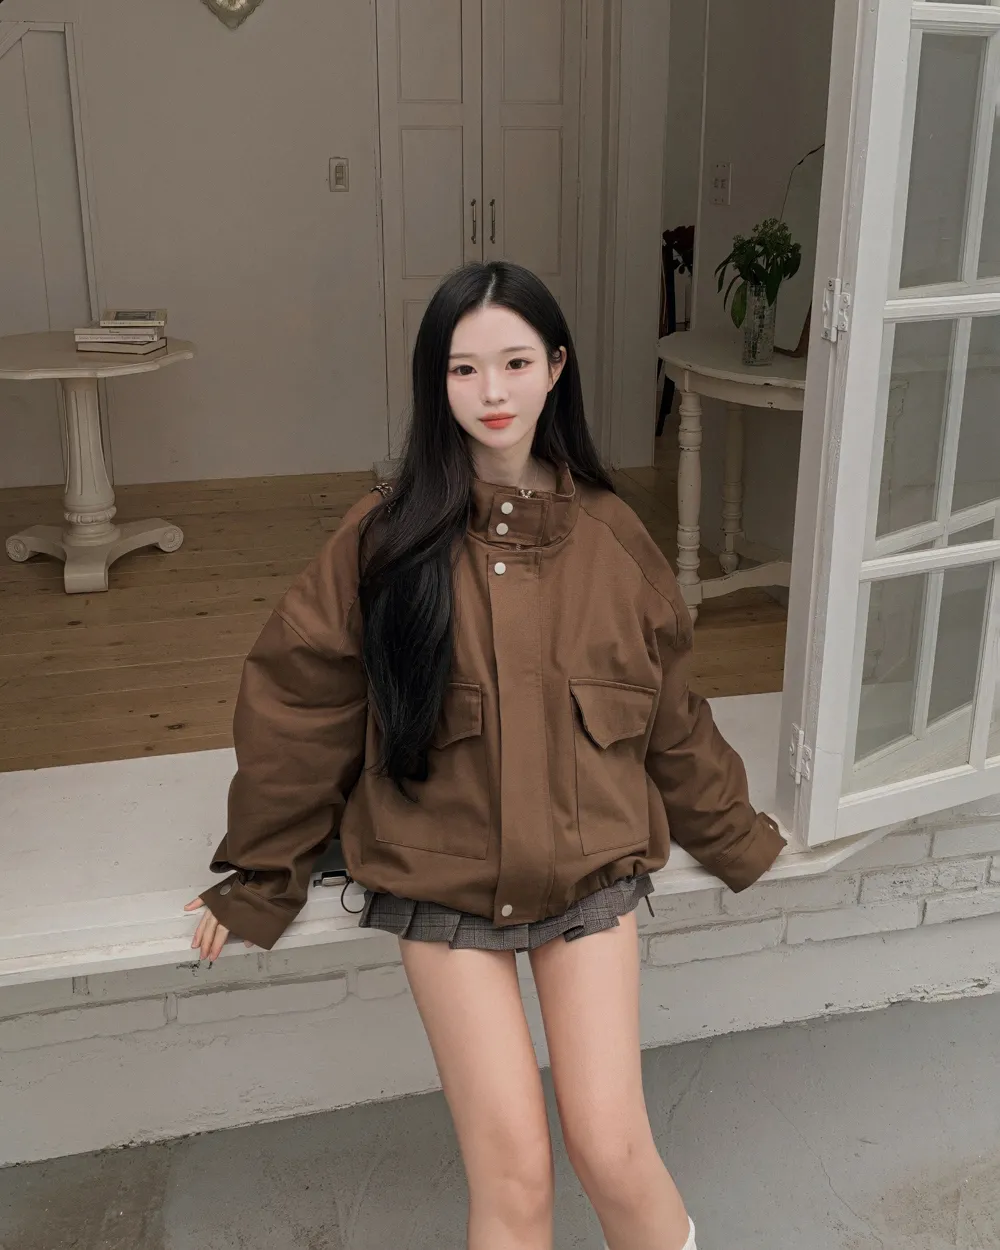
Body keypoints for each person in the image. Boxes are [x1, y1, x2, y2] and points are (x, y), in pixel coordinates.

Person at [185, 261, 786, 1250]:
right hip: (440, 880)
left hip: (590, 874)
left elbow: (668, 714)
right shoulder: (383, 538)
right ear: (437, 382)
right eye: (464, 369)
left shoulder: (613, 537)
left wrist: (735, 835)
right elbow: (302, 702)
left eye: (515, 362)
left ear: (556, 368)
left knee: (612, 1148)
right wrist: (260, 872)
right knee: (513, 1173)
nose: (492, 391)